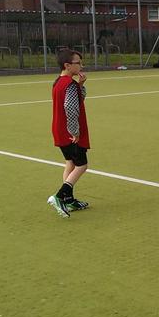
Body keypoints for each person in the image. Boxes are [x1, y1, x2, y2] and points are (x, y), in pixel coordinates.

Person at [48, 49, 91, 218]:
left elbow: (76, 99)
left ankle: (69, 200)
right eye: (78, 63)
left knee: (70, 163)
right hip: (70, 132)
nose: (81, 65)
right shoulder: (69, 85)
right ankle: (59, 196)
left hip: (59, 129)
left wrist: (80, 85)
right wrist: (75, 131)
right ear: (67, 65)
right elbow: (71, 108)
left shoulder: (58, 82)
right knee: (82, 165)